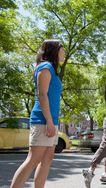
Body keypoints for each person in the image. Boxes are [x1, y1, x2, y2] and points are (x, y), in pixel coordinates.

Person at [10, 39, 64, 188]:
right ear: (54, 51)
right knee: (33, 159)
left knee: (47, 158)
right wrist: (48, 122)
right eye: (62, 49)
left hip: (51, 120)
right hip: (42, 120)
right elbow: (42, 95)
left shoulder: (52, 70)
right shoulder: (45, 67)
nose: (64, 52)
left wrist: (52, 122)